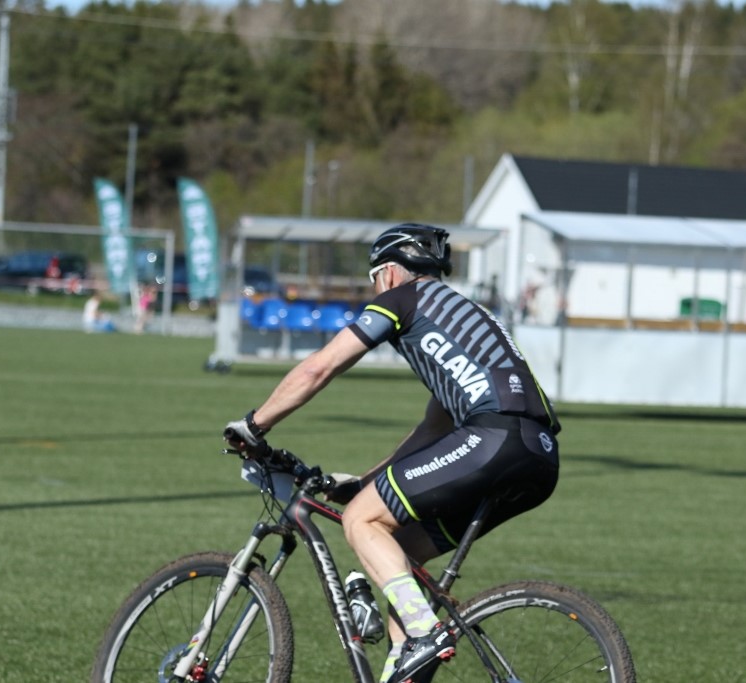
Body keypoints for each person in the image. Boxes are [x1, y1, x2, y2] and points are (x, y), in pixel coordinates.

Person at [225, 223, 560, 683]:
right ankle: (407, 654)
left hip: (493, 438)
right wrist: (367, 483)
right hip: (538, 455)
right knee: (399, 560)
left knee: (361, 521)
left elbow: (320, 368)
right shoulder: (460, 316)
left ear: (388, 273)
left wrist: (254, 425)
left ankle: (424, 632)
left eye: (374, 280)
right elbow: (434, 429)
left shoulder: (402, 299)